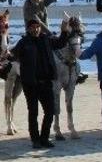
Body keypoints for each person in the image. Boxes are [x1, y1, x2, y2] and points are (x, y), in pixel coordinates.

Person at [11, 19, 73, 148]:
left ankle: (44, 138)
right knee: (33, 112)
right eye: (33, 27)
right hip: (30, 83)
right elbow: (13, 55)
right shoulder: (23, 43)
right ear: (28, 29)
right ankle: (35, 139)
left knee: (50, 111)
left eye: (38, 27)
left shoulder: (46, 39)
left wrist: (64, 31)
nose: (36, 29)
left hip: (46, 82)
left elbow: (60, 43)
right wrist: (6, 55)